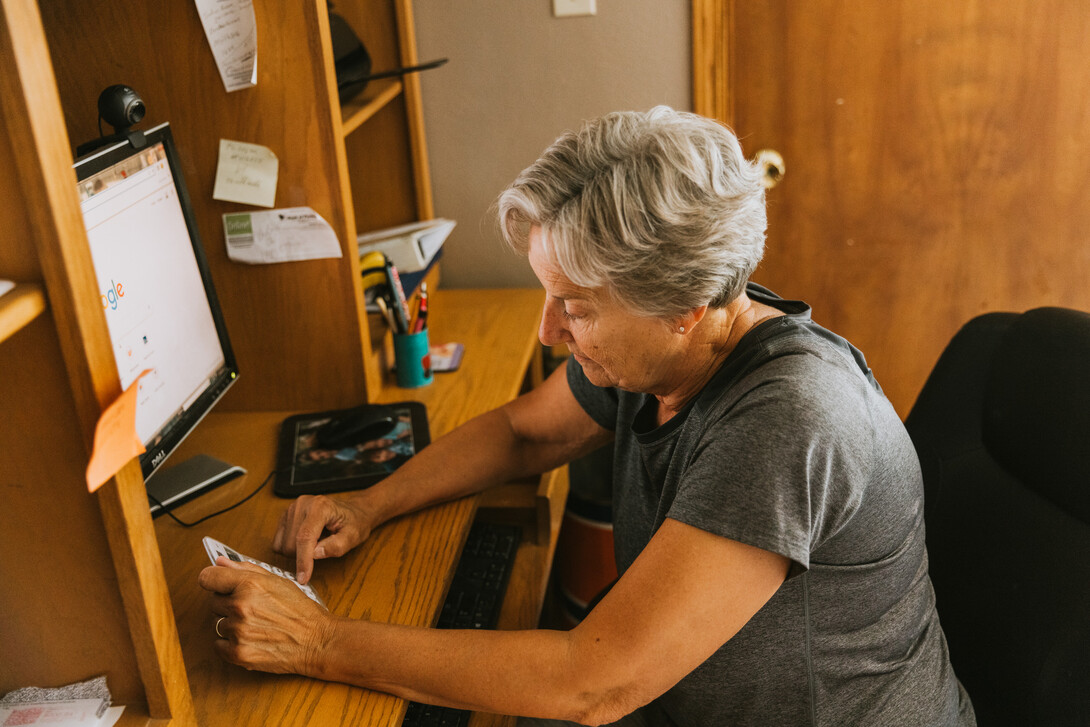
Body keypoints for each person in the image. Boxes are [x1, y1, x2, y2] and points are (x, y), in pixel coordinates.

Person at [198, 106, 976, 726]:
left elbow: (594, 682)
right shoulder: (667, 349)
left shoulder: (790, 420)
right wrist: (367, 502)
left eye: (574, 307)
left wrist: (320, 640)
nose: (548, 331)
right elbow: (522, 432)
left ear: (684, 306)